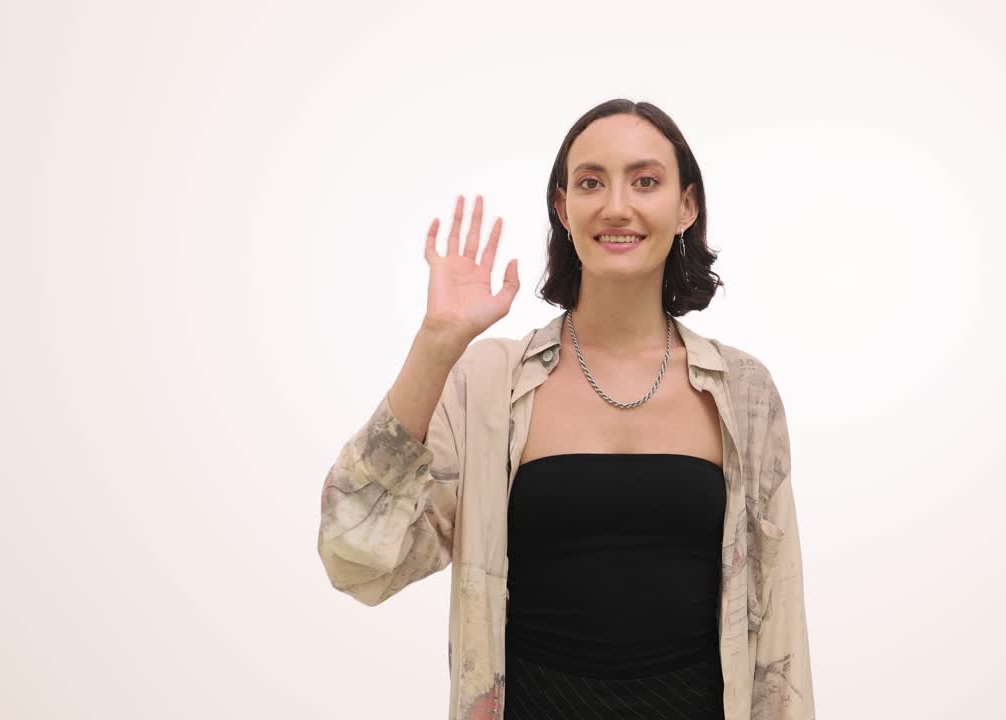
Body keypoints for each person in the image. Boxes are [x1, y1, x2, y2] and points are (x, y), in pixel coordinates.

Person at [317, 99, 814, 720]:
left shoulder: (743, 391)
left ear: (686, 206)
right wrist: (437, 344)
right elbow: (356, 555)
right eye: (590, 182)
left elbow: (778, 628)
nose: (616, 206)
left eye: (645, 181)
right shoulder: (488, 385)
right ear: (563, 208)